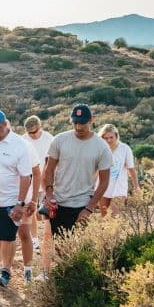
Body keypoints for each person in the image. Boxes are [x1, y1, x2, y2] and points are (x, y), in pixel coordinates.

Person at [42, 104, 112, 277]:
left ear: (92, 121)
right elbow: (49, 169)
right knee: (58, 246)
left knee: (77, 248)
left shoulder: (101, 147)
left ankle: (75, 283)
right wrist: (49, 194)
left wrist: (89, 207)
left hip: (81, 205)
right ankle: (60, 282)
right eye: (75, 123)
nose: (79, 127)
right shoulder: (60, 140)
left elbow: (104, 182)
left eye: (83, 123)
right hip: (58, 203)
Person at [0, 109, 34, 288]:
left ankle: (5, 271)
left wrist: (20, 203)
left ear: (4, 125)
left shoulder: (20, 145)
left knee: (6, 237)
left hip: (9, 200)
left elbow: (26, 176)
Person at [21, 115, 53, 280]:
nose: (32, 135)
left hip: (46, 178)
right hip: (32, 177)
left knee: (47, 212)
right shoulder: (23, 140)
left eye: (35, 132)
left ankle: (48, 240)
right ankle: (34, 240)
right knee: (30, 209)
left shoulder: (50, 139)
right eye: (30, 133)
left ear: (40, 127)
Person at [97, 124, 140, 217]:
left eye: (111, 137)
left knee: (115, 215)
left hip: (119, 186)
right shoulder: (100, 149)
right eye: (106, 138)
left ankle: (116, 231)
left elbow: (131, 169)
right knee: (104, 216)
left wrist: (136, 186)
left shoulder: (125, 149)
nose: (109, 140)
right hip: (103, 186)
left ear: (116, 136)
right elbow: (95, 170)